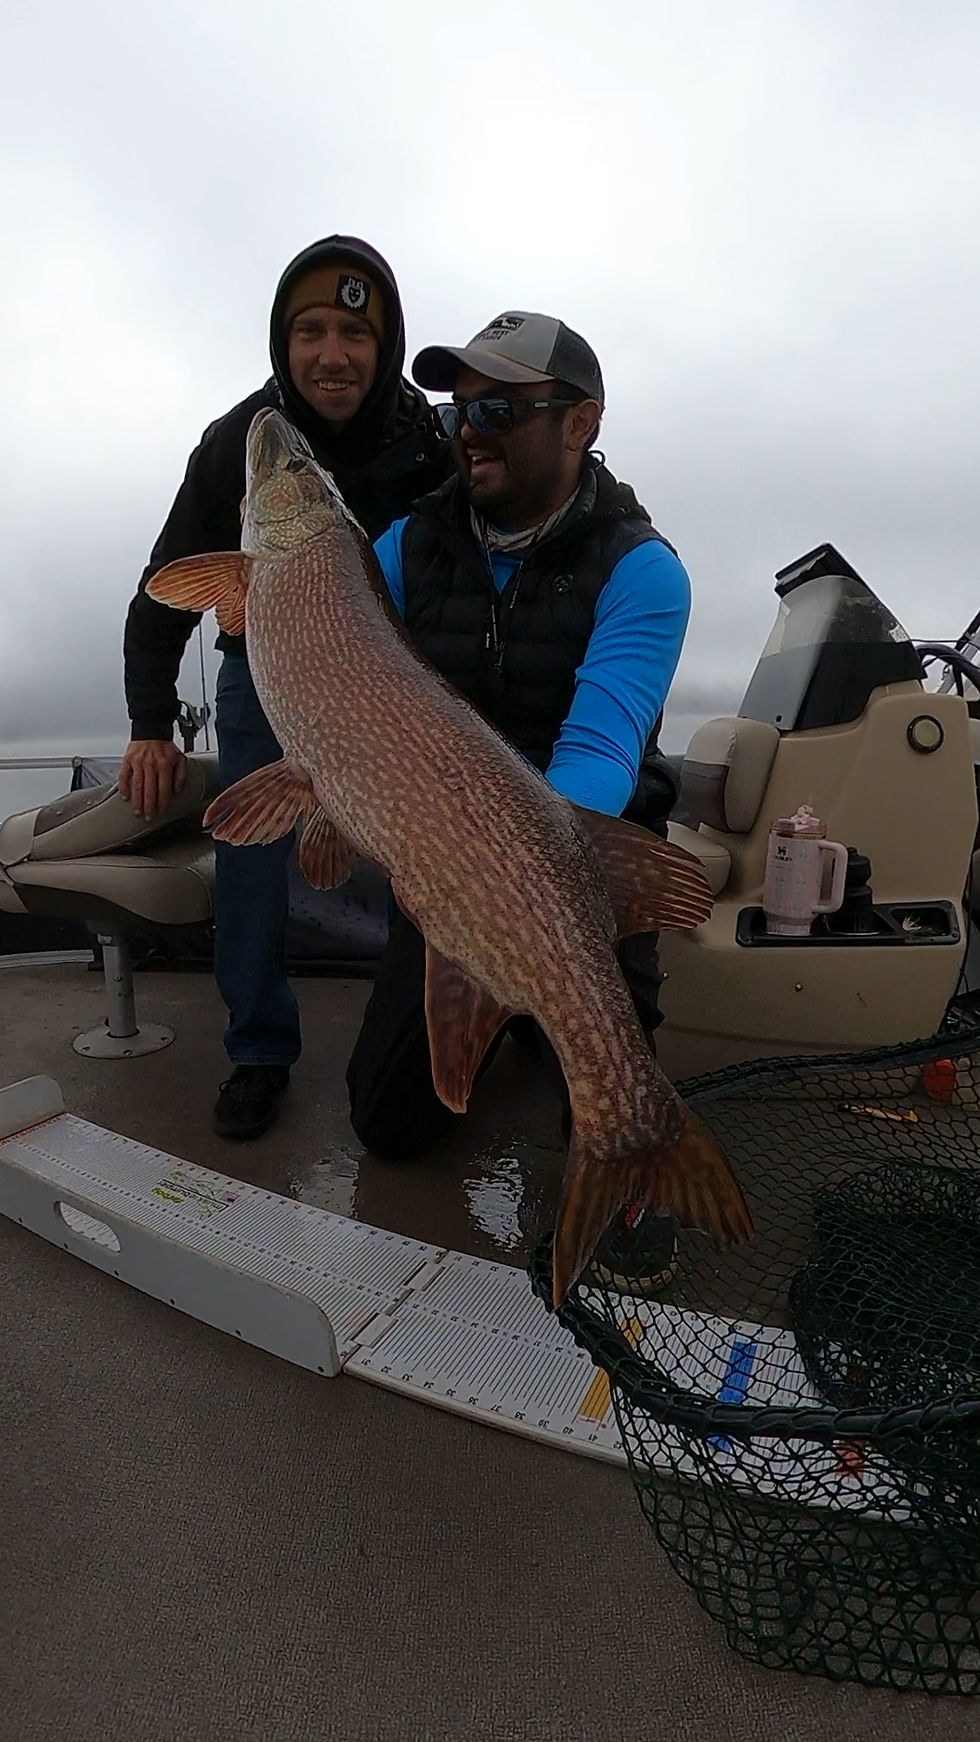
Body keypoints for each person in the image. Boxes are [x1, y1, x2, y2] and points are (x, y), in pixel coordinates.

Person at [346, 309, 692, 1281]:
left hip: (585, 847)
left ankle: (585, 1081)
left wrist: (517, 918)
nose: (470, 426)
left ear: (579, 423)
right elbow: (351, 665)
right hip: (446, 855)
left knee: (602, 1072)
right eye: (460, 405)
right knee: (387, 1123)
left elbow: (595, 757)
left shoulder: (641, 568)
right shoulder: (405, 545)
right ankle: (499, 1025)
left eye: (498, 404)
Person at [119, 236, 452, 1140]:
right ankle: (259, 1050)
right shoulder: (239, 442)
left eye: (355, 331)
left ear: (384, 349)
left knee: (437, 853)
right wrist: (152, 722)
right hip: (262, 676)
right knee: (250, 863)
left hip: (397, 690)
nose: (331, 353)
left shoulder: (428, 443)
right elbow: (164, 586)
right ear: (283, 339)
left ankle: (463, 1017)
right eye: (310, 330)